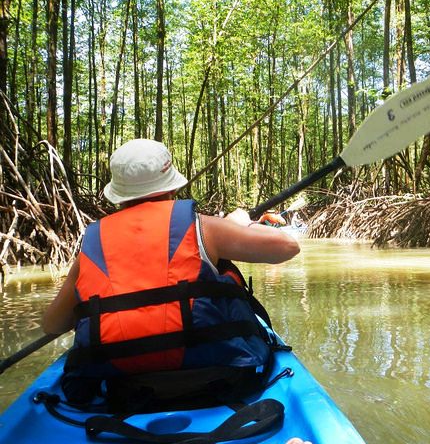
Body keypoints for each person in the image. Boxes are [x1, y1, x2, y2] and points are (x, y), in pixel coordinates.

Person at [42, 138, 300, 406]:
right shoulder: (204, 228)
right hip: (219, 380)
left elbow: (52, 325)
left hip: (124, 389)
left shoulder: (93, 243)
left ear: (117, 194)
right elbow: (287, 247)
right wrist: (241, 225)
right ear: (171, 186)